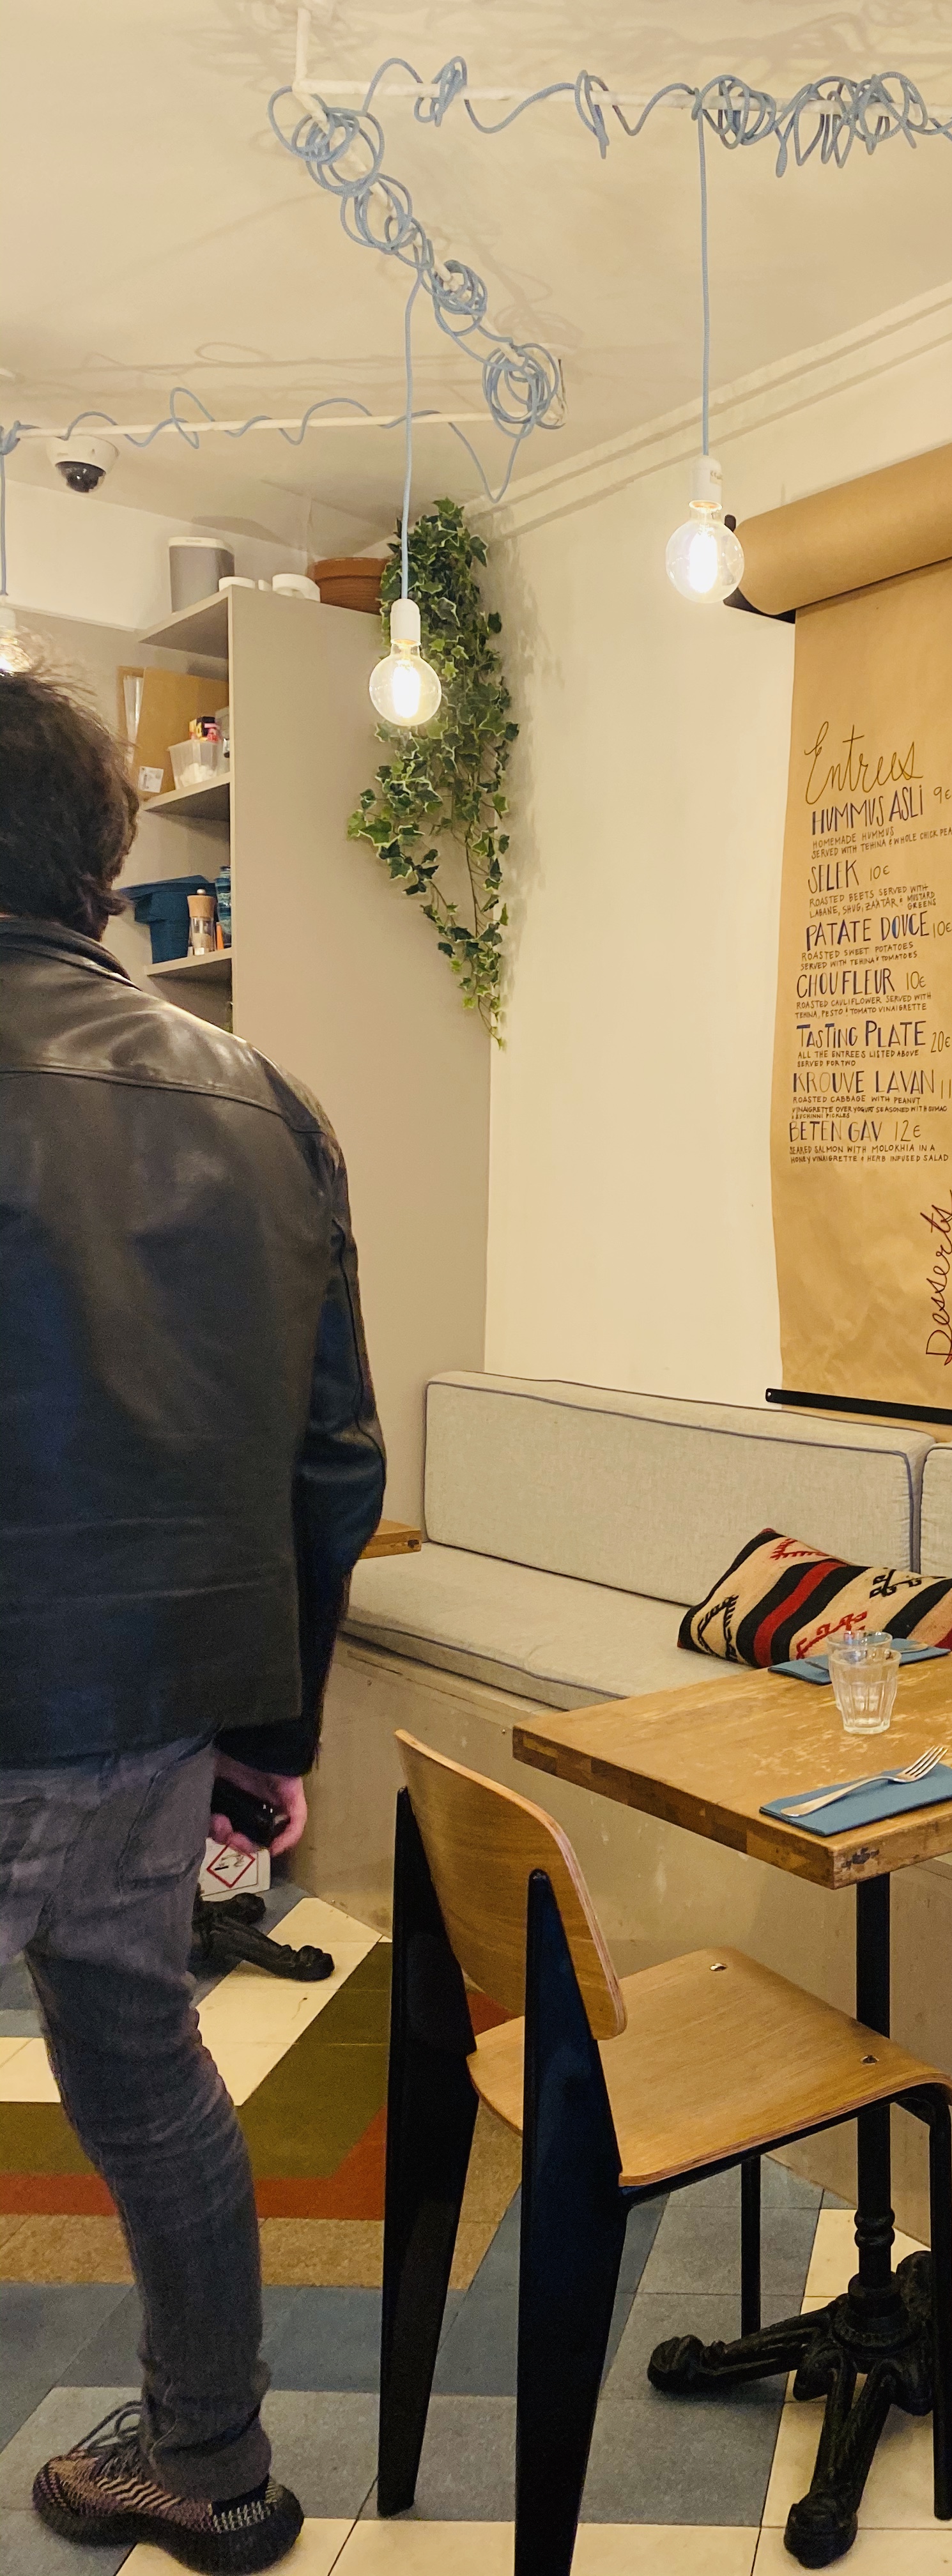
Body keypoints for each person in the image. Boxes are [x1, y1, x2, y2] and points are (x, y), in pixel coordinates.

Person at [0, 668, 386, 2573]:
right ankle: (215, 2469)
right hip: (144, 1705)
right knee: (144, 2064)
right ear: (107, 858)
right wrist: (272, 1731)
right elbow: (333, 1460)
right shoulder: (269, 1103)